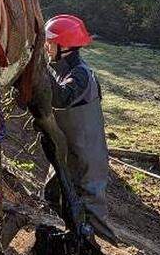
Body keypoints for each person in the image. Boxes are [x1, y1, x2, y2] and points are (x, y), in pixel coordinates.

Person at [42, 14, 117, 243]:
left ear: (65, 47)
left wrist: (37, 69)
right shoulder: (60, 70)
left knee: (93, 212)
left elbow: (61, 97)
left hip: (88, 157)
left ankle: (107, 253)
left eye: (49, 44)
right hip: (70, 151)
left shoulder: (82, 74)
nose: (46, 49)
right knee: (53, 195)